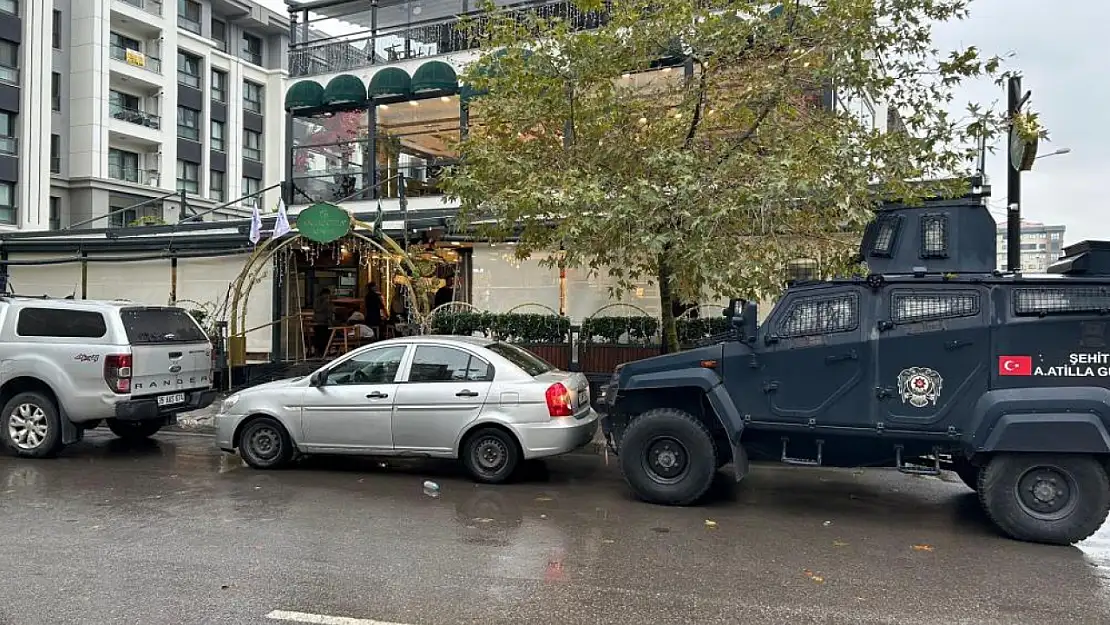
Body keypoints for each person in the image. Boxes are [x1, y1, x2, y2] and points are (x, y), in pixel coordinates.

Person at [312, 287, 334, 357]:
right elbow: (317, 309)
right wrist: (325, 303)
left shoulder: (329, 301)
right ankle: (318, 351)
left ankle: (325, 351)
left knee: (326, 337)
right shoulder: (318, 301)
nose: (327, 296)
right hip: (319, 322)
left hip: (326, 322)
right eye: (326, 295)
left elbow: (330, 310)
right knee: (319, 337)